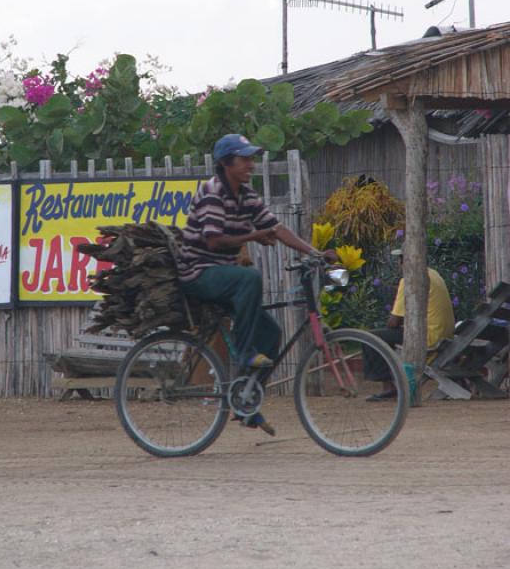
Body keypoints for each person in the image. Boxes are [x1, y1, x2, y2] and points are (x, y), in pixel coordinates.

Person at [177, 133, 336, 435]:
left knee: (272, 333)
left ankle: (246, 403)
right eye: (245, 158)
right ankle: (245, 350)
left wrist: (315, 253)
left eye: (252, 158)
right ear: (226, 163)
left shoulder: (247, 195)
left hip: (222, 275)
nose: (251, 164)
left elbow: (275, 227)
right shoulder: (213, 192)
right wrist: (252, 237)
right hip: (198, 273)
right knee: (249, 278)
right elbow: (213, 240)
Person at [364, 248, 455, 401]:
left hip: (428, 337)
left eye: (400, 261)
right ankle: (390, 382)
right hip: (444, 334)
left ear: (403, 262)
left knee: (371, 338)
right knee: (388, 335)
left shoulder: (409, 279)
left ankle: (389, 387)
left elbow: (394, 321)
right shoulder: (434, 274)